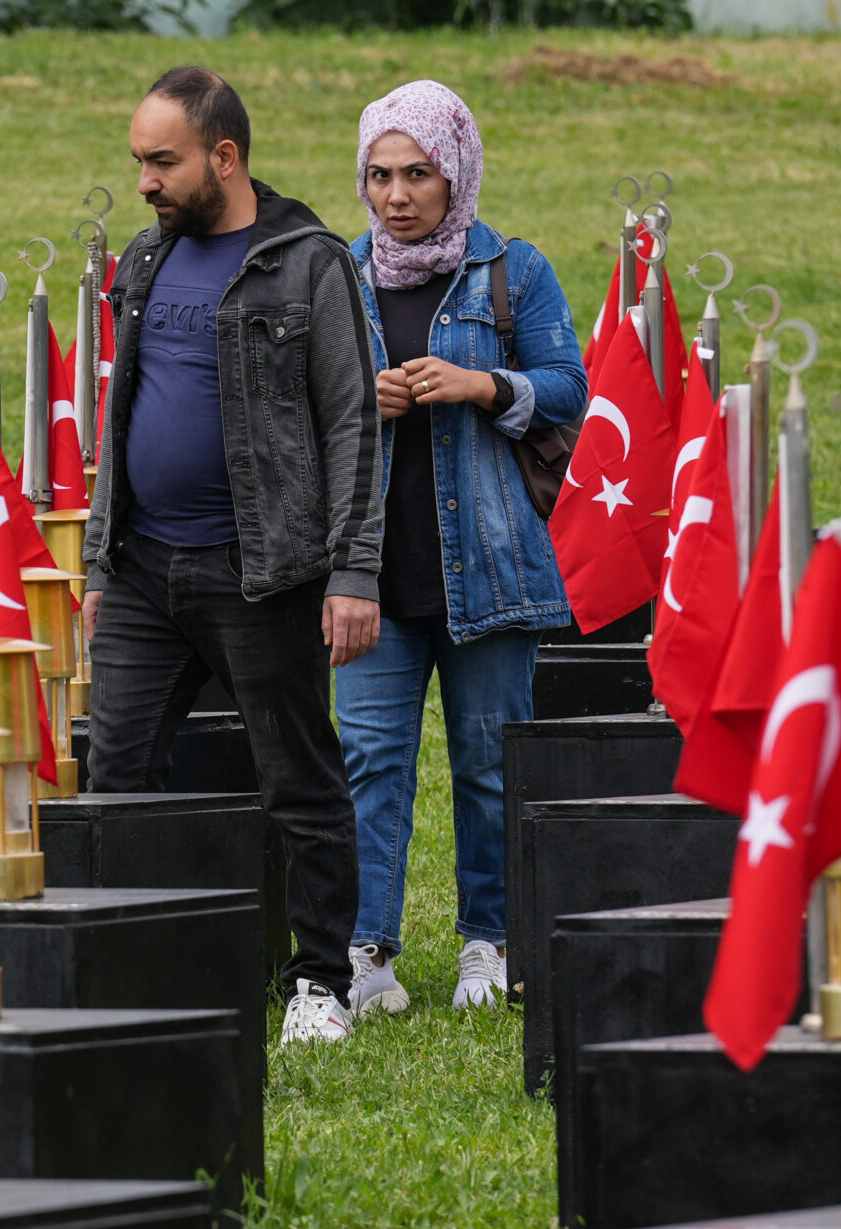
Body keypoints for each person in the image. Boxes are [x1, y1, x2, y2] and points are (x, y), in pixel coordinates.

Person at [81, 65, 384, 1047]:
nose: (145, 182)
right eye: (138, 162)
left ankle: (319, 985)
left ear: (224, 156)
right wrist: (97, 564)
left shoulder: (307, 262)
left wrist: (351, 572)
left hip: (263, 572)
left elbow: (351, 422)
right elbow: (115, 415)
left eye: (162, 162)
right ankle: (119, 966)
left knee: (296, 777)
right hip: (140, 571)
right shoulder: (143, 260)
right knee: (113, 774)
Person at [332, 79, 586, 1017]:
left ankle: (489, 938)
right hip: (370, 575)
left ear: (458, 174)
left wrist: (482, 384)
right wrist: (368, 396)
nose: (397, 195)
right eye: (379, 175)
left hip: (490, 565)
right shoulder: (336, 275)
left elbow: (571, 390)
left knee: (487, 760)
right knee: (368, 759)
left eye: (418, 174)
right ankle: (367, 952)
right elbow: (294, 404)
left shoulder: (513, 271)